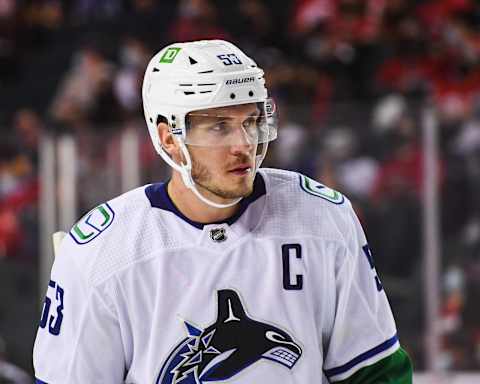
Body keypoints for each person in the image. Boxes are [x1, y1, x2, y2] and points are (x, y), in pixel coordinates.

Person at [33, 40, 412, 383]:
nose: (243, 144)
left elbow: (376, 372)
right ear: (169, 138)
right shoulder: (104, 251)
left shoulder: (322, 217)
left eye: (249, 122)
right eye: (219, 127)